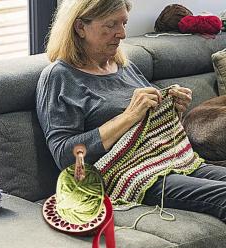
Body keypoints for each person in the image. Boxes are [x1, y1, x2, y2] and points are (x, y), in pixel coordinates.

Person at [36, 0, 226, 223]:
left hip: (174, 160)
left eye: (124, 23)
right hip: (129, 176)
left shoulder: (123, 66)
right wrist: (127, 117)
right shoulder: (59, 77)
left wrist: (174, 110)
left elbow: (152, 127)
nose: (122, 34)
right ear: (80, 27)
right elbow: (64, 156)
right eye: (111, 25)